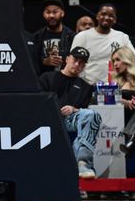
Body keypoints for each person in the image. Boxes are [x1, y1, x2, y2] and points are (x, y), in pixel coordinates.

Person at [39, 47, 101, 179]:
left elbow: (84, 112)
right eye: (75, 60)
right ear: (67, 59)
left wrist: (74, 109)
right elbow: (38, 102)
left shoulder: (86, 87)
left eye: (82, 63)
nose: (77, 64)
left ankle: (84, 163)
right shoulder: (47, 77)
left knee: (92, 114)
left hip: (70, 120)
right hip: (47, 118)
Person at [70, 4, 135, 85]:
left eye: (111, 15)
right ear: (97, 16)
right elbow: (72, 62)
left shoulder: (122, 37)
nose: (107, 17)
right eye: (103, 14)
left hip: (115, 86)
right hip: (87, 86)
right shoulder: (82, 36)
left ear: (115, 20)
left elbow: (134, 59)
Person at [32, 0, 75, 75]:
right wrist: (44, 61)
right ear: (43, 14)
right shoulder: (36, 37)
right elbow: (31, 61)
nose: (51, 15)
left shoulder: (71, 36)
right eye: (48, 12)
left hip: (65, 81)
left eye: (55, 12)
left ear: (62, 13)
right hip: (43, 81)